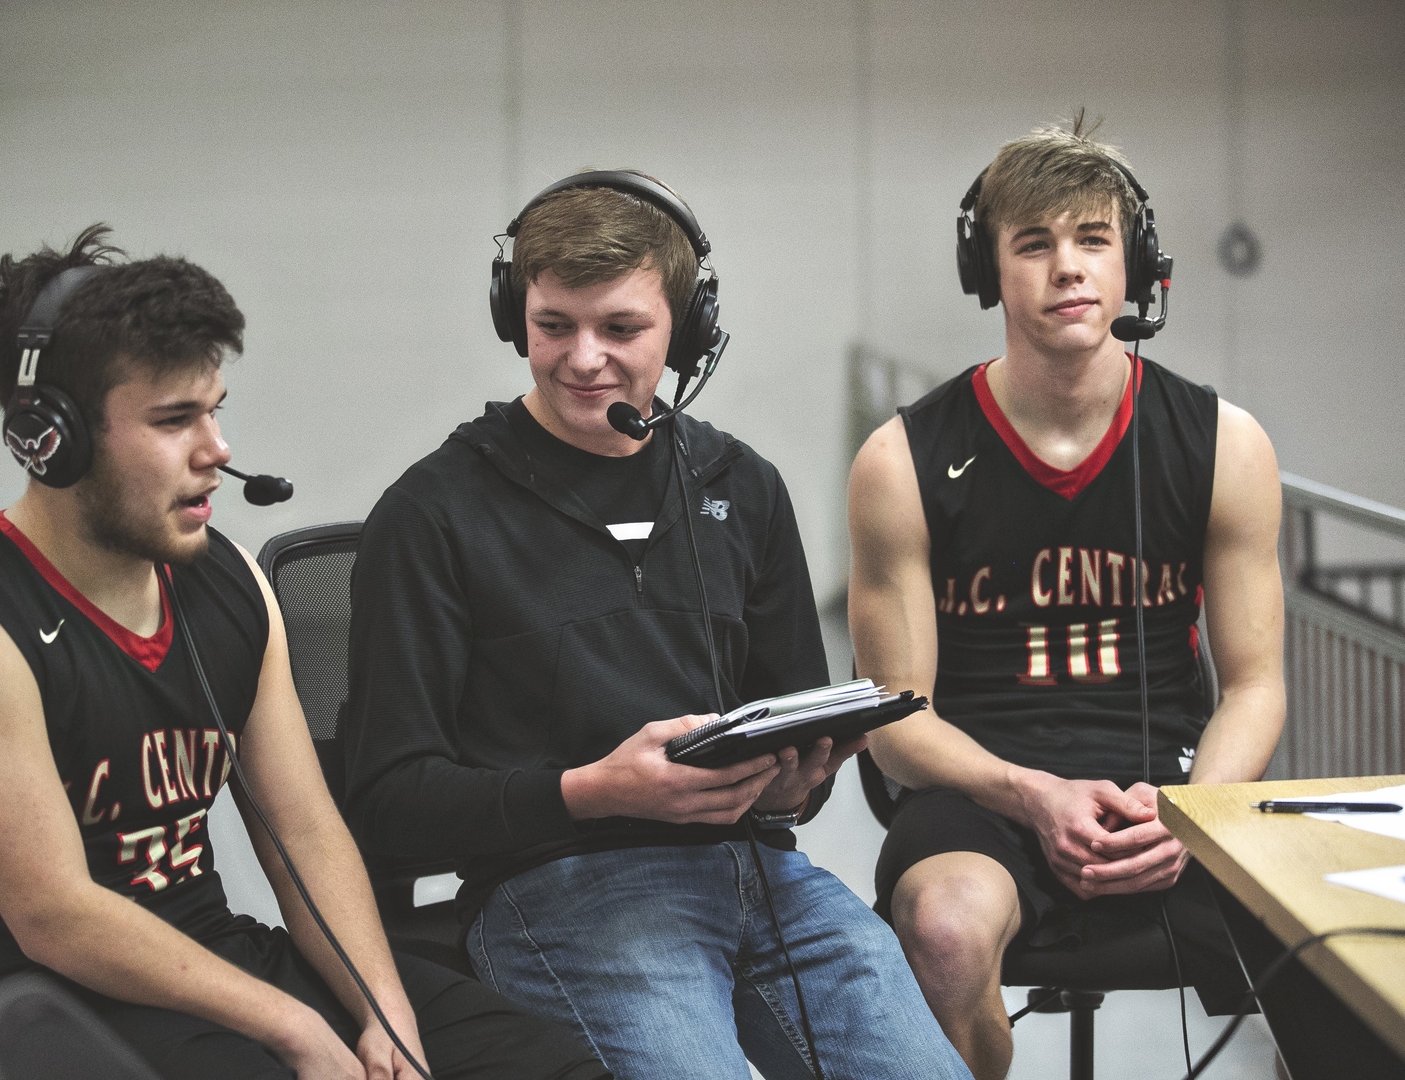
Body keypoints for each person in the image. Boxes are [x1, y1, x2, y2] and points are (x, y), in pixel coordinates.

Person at [0, 225, 609, 1080]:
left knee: (542, 1064)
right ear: (51, 437)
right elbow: (57, 916)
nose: (216, 451)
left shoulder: (230, 586)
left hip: (208, 966)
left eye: (215, 410)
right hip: (31, 1011)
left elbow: (305, 827)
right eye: (175, 420)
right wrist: (292, 1028)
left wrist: (384, 1012)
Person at [338, 172, 969, 1080]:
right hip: (557, 888)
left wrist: (794, 782)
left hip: (764, 877)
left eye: (621, 329)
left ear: (687, 329)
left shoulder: (741, 488)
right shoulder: (436, 511)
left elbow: (793, 734)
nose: (583, 359)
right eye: (553, 325)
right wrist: (593, 791)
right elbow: (388, 799)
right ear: (514, 316)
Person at [847, 115, 1286, 1080]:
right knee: (945, 935)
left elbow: (1257, 685)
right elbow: (894, 721)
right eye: (1034, 244)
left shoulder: (1225, 444)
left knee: (1338, 946)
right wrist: (1034, 796)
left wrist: (1193, 811)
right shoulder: (901, 461)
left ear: (1137, 268)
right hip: (982, 793)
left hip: (1168, 789)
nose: (1068, 269)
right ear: (989, 272)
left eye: (1094, 240)